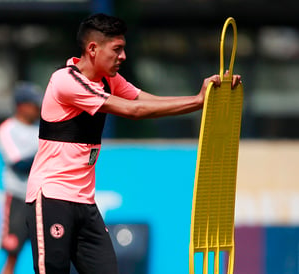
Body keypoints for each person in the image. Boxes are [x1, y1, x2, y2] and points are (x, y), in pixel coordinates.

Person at [24, 13, 242, 274]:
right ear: (93, 49)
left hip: (85, 202)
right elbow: (134, 111)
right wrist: (197, 101)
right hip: (51, 198)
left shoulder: (108, 80)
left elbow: (145, 100)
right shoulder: (65, 80)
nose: (123, 56)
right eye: (117, 49)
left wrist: (203, 99)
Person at [0, 82, 42, 274]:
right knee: (12, 253)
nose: (38, 109)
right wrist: (45, 156)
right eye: (34, 104)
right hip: (18, 199)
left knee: (46, 254)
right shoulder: (7, 129)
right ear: (21, 105)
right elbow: (18, 164)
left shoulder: (42, 128)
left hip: (42, 198)